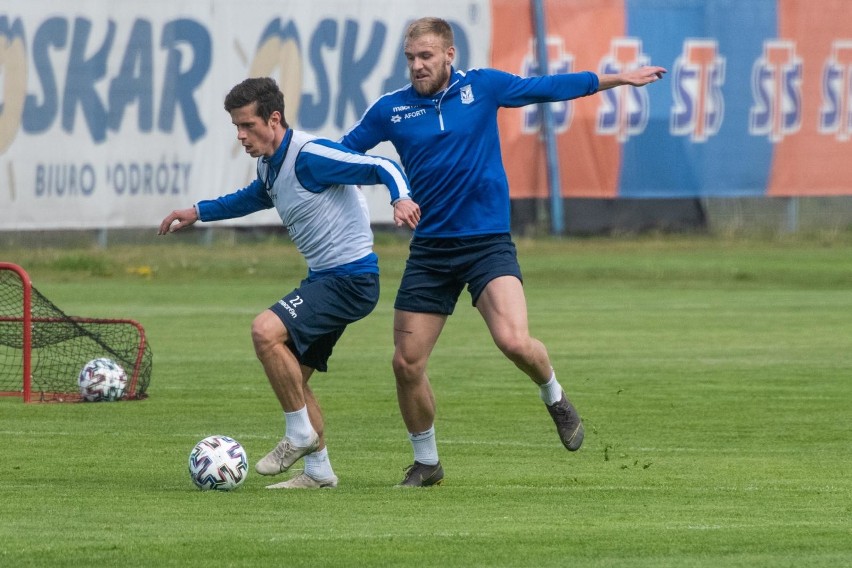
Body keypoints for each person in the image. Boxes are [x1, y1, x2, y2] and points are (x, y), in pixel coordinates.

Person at [340, 17, 667, 487]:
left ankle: (554, 395)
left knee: (513, 341)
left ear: (449, 55)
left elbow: (547, 87)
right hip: (431, 251)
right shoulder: (391, 110)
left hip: (487, 242)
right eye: (410, 58)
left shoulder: (484, 87)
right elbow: (346, 156)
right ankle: (427, 462)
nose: (417, 66)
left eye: (426, 57)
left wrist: (617, 79)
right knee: (405, 363)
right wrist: (392, 189)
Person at [158, 77, 420, 489]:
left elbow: (382, 165)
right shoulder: (269, 163)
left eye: (247, 126)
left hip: (350, 280)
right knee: (293, 377)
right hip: (327, 278)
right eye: (236, 128)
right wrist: (197, 211)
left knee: (264, 331)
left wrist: (399, 198)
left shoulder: (311, 155)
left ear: (274, 118)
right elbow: (253, 197)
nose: (242, 136)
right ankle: (318, 472)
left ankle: (299, 435)